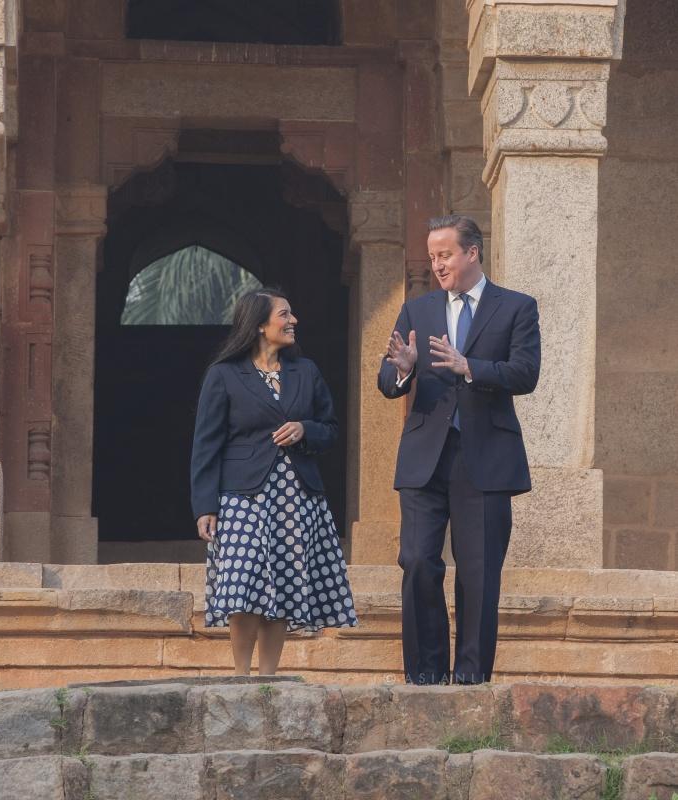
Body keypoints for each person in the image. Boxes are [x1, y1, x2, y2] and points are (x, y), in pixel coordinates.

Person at [378, 215, 541, 685]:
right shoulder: (417, 310)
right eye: (431, 257)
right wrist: (405, 370)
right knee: (417, 560)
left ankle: (470, 679)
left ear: (472, 252)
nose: (437, 265)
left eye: (445, 254)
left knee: (479, 572)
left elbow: (525, 373)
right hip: (426, 457)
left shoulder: (516, 307)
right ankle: (425, 676)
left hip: (485, 457)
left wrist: (470, 366)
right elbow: (386, 380)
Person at [191, 288, 357, 676]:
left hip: (296, 494)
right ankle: (241, 675)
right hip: (242, 495)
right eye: (284, 314)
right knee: (244, 579)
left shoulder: (306, 372)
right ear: (260, 325)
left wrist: (305, 429)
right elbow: (205, 444)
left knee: (283, 579)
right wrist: (205, 506)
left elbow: (330, 430)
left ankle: (268, 677)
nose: (293, 320)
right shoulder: (224, 375)